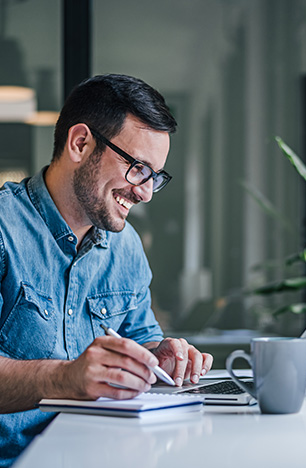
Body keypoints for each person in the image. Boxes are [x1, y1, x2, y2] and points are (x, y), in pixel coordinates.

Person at [0, 74, 213, 467]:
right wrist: (65, 378)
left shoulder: (126, 246)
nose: (146, 192)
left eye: (155, 176)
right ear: (80, 143)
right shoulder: (3, 228)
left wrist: (161, 356)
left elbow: (141, 337)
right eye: (137, 167)